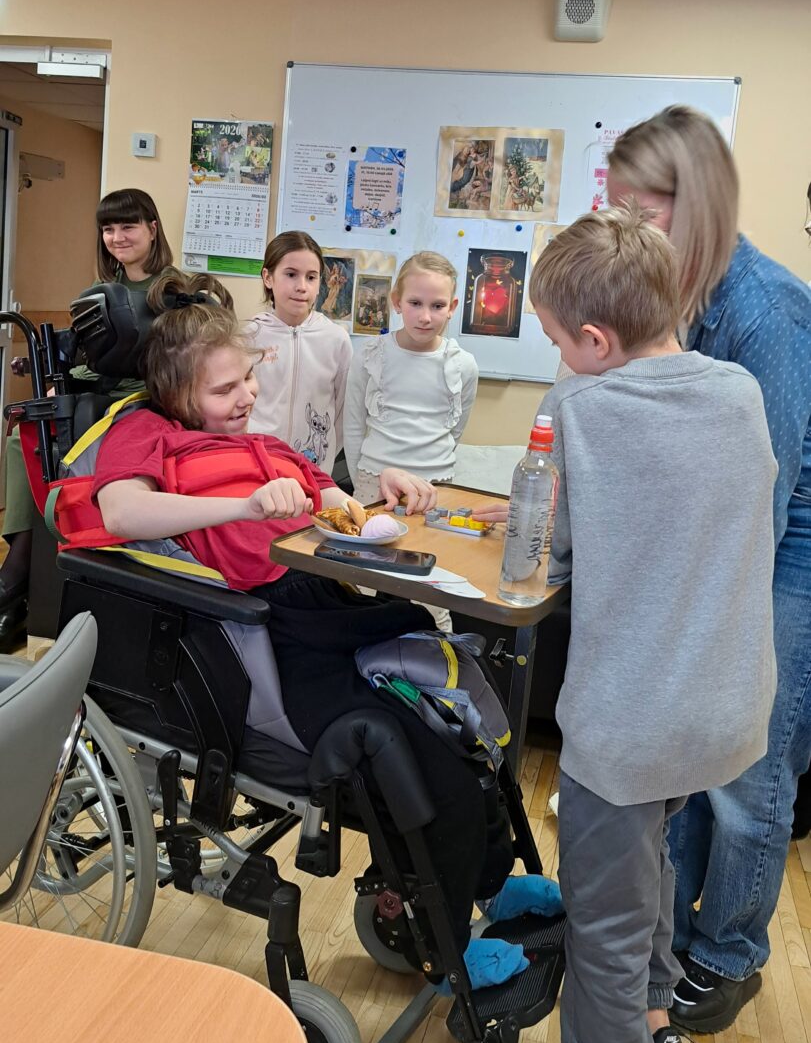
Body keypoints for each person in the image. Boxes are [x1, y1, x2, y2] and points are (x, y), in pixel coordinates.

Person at [89, 269, 561, 988]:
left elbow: (333, 501)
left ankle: (493, 882)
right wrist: (245, 507)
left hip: (325, 600)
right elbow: (121, 512)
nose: (246, 398)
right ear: (175, 394)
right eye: (224, 391)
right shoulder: (146, 432)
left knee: (456, 708)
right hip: (262, 630)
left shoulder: (259, 443)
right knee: (407, 736)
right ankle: (448, 938)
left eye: (248, 380)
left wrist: (381, 496)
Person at [515, 205, 776, 1043]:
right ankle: (656, 1019)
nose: (556, 358)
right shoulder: (738, 391)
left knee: (604, 915)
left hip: (627, 723)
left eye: (556, 341)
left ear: (593, 341)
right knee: (651, 862)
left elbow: (545, 551)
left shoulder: (577, 410)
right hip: (723, 706)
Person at [607, 107, 811, 1033]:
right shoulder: (673, 289)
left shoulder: (766, 310)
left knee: (746, 773)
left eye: (640, 210)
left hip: (783, 549)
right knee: (688, 757)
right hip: (719, 538)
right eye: (616, 207)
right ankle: (675, 935)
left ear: (696, 203)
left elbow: (761, 488)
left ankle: (728, 956)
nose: (625, 228)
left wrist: (698, 602)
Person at [0, 187, 173, 643]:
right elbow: (82, 356)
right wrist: (55, 380)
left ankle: (15, 577)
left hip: (143, 401)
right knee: (25, 437)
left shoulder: (174, 290)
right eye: (109, 229)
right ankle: (22, 565)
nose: (117, 237)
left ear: (152, 229)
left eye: (128, 226)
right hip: (95, 395)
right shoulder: (95, 293)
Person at [343, 252, 478, 509]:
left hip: (437, 483)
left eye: (437, 306)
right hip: (374, 480)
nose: (425, 317)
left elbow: (455, 428)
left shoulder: (463, 364)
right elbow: (352, 426)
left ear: (452, 307)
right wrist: (359, 479)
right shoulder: (370, 355)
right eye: (415, 303)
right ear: (397, 301)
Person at [247, 232, 352, 472]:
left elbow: (343, 412)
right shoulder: (249, 337)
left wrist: (323, 458)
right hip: (257, 464)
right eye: (291, 274)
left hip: (312, 469)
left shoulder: (336, 340)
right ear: (268, 277)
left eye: (311, 277)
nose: (302, 287)